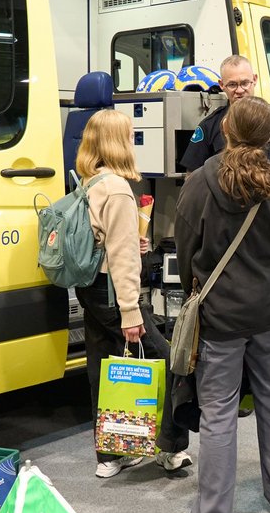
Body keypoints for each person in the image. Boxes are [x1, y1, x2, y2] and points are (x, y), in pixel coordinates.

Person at [170, 96, 270, 513]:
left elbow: (187, 252)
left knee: (219, 415)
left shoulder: (200, 183)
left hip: (221, 316)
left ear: (225, 129)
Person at [179, 54, 270, 422]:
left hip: (269, 242)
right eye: (232, 84)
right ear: (222, 87)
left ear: (254, 79)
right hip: (228, 245)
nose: (239, 89)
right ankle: (242, 391)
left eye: (245, 82)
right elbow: (192, 182)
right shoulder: (210, 127)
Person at [72, 109, 192, 479]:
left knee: (101, 366)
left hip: (90, 289)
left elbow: (103, 242)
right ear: (117, 142)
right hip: (113, 293)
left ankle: (109, 456)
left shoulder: (88, 183)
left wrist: (130, 245)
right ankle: (169, 449)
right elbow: (121, 259)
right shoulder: (119, 190)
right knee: (170, 360)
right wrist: (130, 313)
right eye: (129, 135)